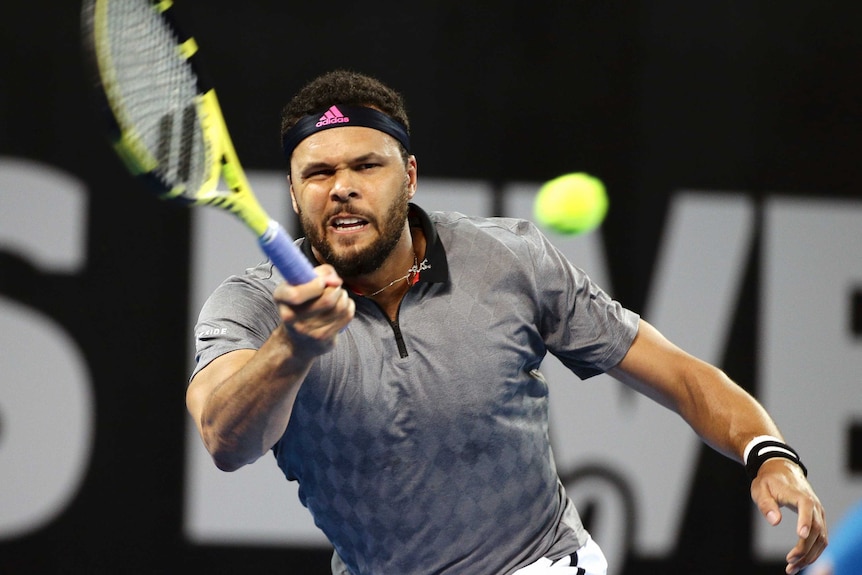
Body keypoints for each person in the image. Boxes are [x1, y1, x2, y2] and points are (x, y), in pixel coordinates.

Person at [186, 69, 827, 575]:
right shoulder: (251, 307)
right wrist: (292, 347)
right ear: (296, 194)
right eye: (319, 173)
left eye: (366, 166)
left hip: (541, 565)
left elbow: (680, 376)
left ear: (408, 176)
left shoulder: (509, 260)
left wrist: (768, 453)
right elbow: (225, 438)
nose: (342, 187)